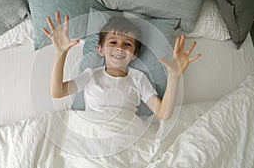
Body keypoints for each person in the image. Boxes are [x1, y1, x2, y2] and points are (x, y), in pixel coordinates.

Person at [42, 11, 201, 120]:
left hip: (126, 134)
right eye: (113, 42)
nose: (120, 48)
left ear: (135, 54)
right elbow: (57, 92)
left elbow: (163, 113)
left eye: (127, 44)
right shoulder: (91, 75)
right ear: (100, 49)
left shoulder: (139, 79)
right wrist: (60, 54)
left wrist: (174, 77)